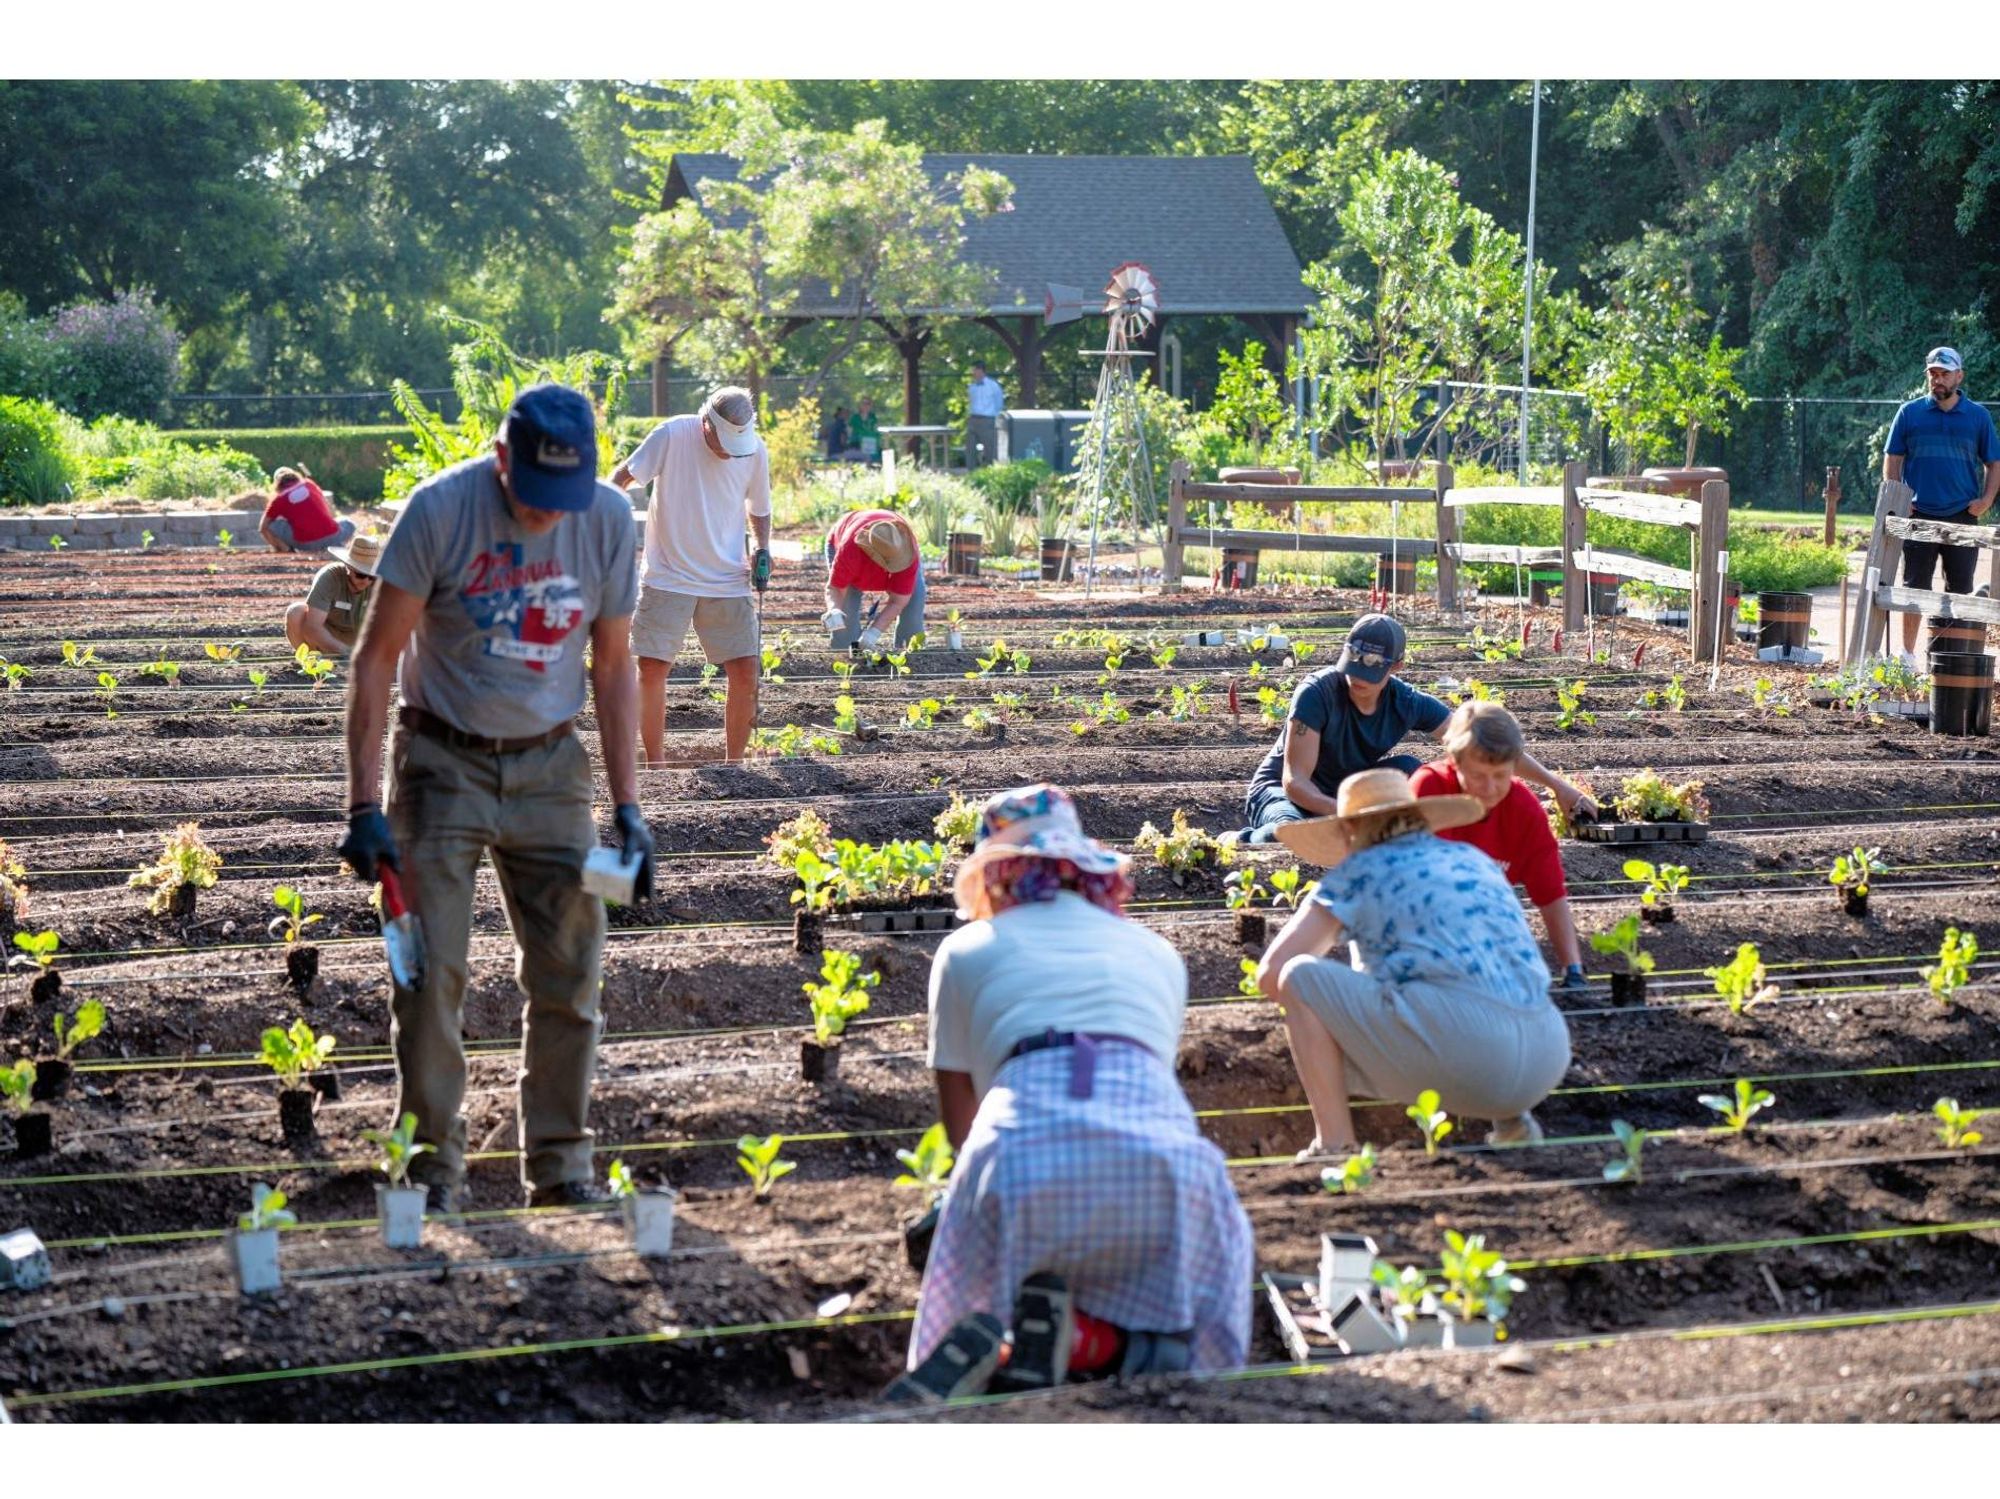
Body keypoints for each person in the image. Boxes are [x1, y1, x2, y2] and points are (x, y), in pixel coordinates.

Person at [337, 383, 655, 1213]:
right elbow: (375, 658)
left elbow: (613, 664)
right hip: (441, 762)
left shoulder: (608, 519)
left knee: (571, 969)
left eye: (564, 495)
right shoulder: (440, 511)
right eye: (535, 492)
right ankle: (431, 1175)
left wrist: (628, 807)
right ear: (501, 459)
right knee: (429, 974)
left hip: (553, 767)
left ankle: (560, 1168)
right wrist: (363, 806)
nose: (549, 513)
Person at [887, 786, 1255, 1403]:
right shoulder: (1159, 953)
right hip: (1168, 1167)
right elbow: (1152, 1083)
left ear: (994, 873)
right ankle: (1102, 1345)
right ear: (1086, 867)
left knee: (980, 1291)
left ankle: (991, 1348)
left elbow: (960, 1127)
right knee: (1183, 1342)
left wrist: (963, 1203)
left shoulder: (964, 951)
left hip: (1019, 1156)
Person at [1254, 768, 1572, 1157]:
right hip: (1548, 1051)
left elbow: (1272, 974)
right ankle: (1514, 1125)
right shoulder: (1471, 858)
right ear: (1418, 818)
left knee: (1300, 977)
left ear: (1350, 830)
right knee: (1476, 976)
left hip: (1467, 1055)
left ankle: (1334, 1145)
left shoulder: (1359, 872)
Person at [1239, 612, 1595, 847]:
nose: (1356, 678)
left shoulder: (1406, 702)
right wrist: (1348, 814)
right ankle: (1241, 839)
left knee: (1411, 770)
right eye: (1352, 665)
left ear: (1396, 666)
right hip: (1283, 795)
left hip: (1349, 793)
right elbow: (1295, 782)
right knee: (1288, 838)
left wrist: (1559, 788)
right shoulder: (1316, 693)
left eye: (1369, 671)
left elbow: (1483, 745)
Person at [611, 386, 772, 765]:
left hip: (727, 578)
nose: (730, 453)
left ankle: (734, 764)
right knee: (652, 668)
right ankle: (657, 763)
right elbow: (622, 477)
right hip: (668, 576)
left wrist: (762, 546)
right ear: (706, 425)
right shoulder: (671, 435)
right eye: (725, 443)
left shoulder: (755, 450)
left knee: (746, 671)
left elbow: (759, 507)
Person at [1411, 702, 1587, 990]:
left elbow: (1551, 895)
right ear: (1455, 762)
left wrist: (1573, 969)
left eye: (1501, 776)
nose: (1490, 788)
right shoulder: (1430, 789)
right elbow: (1423, 887)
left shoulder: (1524, 811)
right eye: (1478, 776)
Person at [1885, 346, 2000, 669]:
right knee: (1914, 588)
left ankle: (1949, 660)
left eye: (1945, 373)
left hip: (1962, 516)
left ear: (1959, 376)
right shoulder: (1909, 413)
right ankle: (1907, 657)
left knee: (1960, 588)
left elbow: (1994, 463)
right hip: (1918, 516)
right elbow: (1892, 458)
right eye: (1933, 374)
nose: (1938, 379)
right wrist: (1898, 499)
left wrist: (1986, 500)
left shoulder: (1978, 416)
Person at [822, 507, 925, 651]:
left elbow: (898, 601)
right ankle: (845, 653)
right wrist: (834, 610)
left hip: (895, 552)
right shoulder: (850, 549)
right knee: (846, 611)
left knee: (914, 601)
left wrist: (873, 632)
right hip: (844, 535)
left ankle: (909, 653)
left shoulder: (906, 554)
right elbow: (836, 588)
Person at [285, 531, 380, 657]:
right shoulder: (330, 577)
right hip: (329, 635)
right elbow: (313, 627)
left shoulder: (382, 583)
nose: (366, 581)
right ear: (348, 567)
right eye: (360, 575)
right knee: (296, 612)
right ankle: (311, 662)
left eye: (372, 577)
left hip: (361, 638)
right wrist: (346, 651)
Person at [259, 465, 355, 553]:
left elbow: (262, 528)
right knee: (348, 522)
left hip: (305, 544)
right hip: (332, 536)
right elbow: (327, 508)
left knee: (272, 525)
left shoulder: (278, 499)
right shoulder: (309, 484)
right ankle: (336, 546)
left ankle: (286, 550)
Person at [965, 361, 1005, 469]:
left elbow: (999, 404)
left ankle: (991, 469)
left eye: (975, 370)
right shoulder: (972, 387)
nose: (973, 373)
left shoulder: (993, 386)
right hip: (973, 419)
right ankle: (971, 471)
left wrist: (993, 418)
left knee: (989, 447)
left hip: (987, 420)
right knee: (970, 447)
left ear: (981, 370)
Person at [849, 396, 882, 461]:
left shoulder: (873, 417)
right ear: (860, 405)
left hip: (871, 444)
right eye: (863, 403)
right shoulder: (855, 418)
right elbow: (850, 432)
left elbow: (876, 430)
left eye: (868, 404)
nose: (866, 406)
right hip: (857, 444)